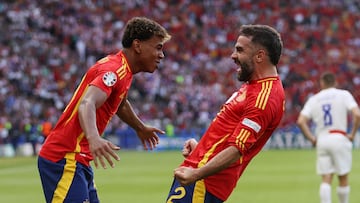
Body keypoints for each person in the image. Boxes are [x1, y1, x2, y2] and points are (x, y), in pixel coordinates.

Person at [37, 17, 171, 203]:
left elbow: (120, 103)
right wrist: (93, 138)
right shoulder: (114, 71)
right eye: (158, 47)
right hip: (65, 157)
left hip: (79, 159)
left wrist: (140, 127)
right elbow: (87, 103)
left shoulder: (124, 70)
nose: (161, 55)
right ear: (138, 45)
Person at [166, 24, 285, 202]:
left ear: (260, 56)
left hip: (203, 184)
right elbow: (228, 137)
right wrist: (201, 149)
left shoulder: (265, 97)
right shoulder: (253, 86)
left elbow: (237, 149)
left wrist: (197, 173)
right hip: (199, 177)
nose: (233, 56)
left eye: (240, 50)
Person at [297, 72, 360, 203]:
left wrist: (312, 139)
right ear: (335, 82)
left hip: (322, 139)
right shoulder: (344, 94)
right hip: (339, 137)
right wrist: (352, 134)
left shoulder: (314, 99)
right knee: (343, 177)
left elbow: (301, 121)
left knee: (326, 178)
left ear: (322, 83)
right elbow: (357, 115)